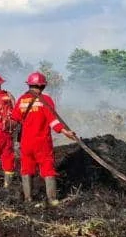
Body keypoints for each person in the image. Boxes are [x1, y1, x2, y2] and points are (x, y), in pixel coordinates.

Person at [11, 71, 77, 205]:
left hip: (26, 143)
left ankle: (28, 199)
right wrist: (65, 132)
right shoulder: (46, 100)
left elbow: (14, 119)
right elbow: (53, 121)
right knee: (48, 169)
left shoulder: (21, 100)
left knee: (26, 169)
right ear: (43, 86)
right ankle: (52, 200)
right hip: (42, 142)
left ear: (29, 85)